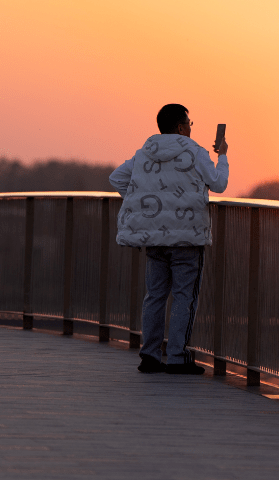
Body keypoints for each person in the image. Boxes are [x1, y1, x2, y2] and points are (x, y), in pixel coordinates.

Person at [109, 104, 229, 375]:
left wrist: (140, 200)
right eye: (189, 123)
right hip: (188, 238)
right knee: (185, 297)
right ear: (180, 127)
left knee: (155, 296)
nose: (190, 127)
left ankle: (149, 356)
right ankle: (177, 356)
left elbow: (116, 178)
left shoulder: (145, 153)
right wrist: (222, 157)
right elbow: (219, 184)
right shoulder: (195, 152)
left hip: (155, 237)